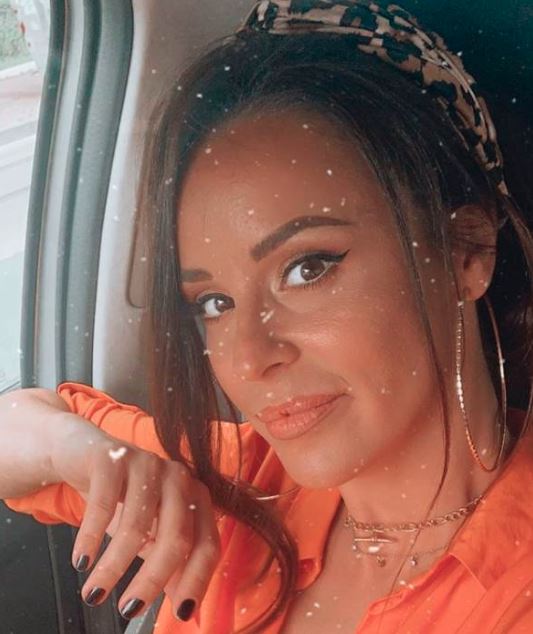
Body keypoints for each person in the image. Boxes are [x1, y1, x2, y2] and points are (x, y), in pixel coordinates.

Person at [1, 0, 532, 632]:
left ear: (466, 252)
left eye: (307, 268)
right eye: (214, 304)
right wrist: (85, 455)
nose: (247, 358)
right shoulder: (237, 482)